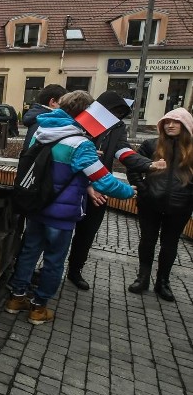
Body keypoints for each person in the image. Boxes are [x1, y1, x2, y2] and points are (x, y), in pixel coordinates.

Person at [5, 91, 136, 325]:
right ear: (85, 113)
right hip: (61, 216)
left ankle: (16, 299)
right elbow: (104, 181)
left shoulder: (42, 133)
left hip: (37, 206)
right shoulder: (80, 144)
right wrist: (129, 191)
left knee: (29, 252)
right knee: (54, 261)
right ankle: (38, 308)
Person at [66, 91, 163, 290]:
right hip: (74, 188)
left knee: (87, 234)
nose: (117, 117)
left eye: (120, 114)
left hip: (100, 190)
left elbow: (123, 152)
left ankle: (75, 271)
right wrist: (89, 185)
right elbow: (69, 158)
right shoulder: (82, 123)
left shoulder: (117, 127)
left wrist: (149, 164)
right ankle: (50, 268)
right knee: (61, 232)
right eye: (114, 112)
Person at [127, 107, 193, 302]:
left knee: (169, 244)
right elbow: (133, 167)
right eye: (167, 121)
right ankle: (143, 277)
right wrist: (143, 189)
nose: (170, 125)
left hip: (181, 206)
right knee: (147, 240)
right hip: (150, 203)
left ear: (186, 125)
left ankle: (163, 282)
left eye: (176, 122)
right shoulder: (151, 145)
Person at [21, 84, 67, 152]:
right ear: (53, 102)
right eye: (62, 102)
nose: (64, 106)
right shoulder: (45, 120)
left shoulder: (39, 117)